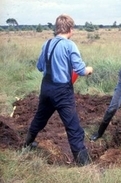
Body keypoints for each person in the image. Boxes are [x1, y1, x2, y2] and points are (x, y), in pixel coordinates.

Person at [23, 14, 93, 166]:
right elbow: (80, 70)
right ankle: (85, 166)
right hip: (62, 92)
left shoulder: (47, 44)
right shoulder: (70, 45)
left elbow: (40, 67)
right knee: (73, 128)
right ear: (70, 28)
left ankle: (26, 146)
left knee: (39, 119)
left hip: (46, 89)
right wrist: (89, 69)